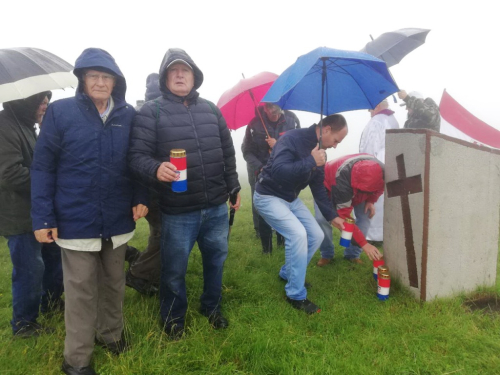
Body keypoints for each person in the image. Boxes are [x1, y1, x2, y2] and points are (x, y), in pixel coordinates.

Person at [31, 48, 148, 375]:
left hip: (117, 219)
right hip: (75, 219)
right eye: (93, 76)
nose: (100, 82)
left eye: (106, 77)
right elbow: (42, 167)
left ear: (115, 82)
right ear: (82, 79)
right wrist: (42, 217)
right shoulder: (60, 112)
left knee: (114, 283)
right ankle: (77, 360)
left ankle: (110, 335)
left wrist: (141, 194)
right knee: (81, 292)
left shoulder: (129, 115)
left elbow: (137, 161)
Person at [128, 48, 241, 338]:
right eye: (173, 71)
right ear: (166, 77)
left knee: (215, 262)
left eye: (185, 70)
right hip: (178, 210)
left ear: (194, 76)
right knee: (174, 270)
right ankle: (173, 319)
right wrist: (156, 168)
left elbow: (227, 152)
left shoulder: (211, 110)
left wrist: (234, 185)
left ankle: (211, 307)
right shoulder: (150, 111)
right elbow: (136, 156)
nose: (180, 75)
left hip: (216, 207)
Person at [253, 114, 347, 314]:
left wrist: (332, 215)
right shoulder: (291, 139)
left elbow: (318, 188)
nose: (336, 145)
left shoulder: (321, 152)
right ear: (327, 129)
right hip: (268, 196)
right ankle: (295, 294)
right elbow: (278, 171)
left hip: (290, 198)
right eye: (336, 140)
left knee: (317, 235)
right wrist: (310, 161)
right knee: (298, 235)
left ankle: (288, 273)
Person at [0, 91, 64, 338]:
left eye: (47, 99)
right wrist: (49, 181)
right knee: (29, 270)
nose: (45, 104)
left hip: (39, 213)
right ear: (23, 100)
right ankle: (24, 324)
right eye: (40, 100)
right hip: (19, 216)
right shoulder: (5, 126)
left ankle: (51, 304)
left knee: (53, 261)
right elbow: (9, 173)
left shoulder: (26, 125)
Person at [241, 103, 300, 252]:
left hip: (284, 170)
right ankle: (263, 239)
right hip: (260, 171)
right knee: (261, 206)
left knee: (283, 203)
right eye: (269, 110)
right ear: (264, 108)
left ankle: (282, 237)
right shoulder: (254, 124)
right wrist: (261, 167)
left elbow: (300, 146)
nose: (273, 113)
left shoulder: (292, 119)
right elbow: (247, 151)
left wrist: (279, 144)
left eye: (276, 110)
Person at [126, 72, 164, 296]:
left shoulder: (139, 112)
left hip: (150, 186)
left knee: (158, 233)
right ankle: (138, 274)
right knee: (165, 234)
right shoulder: (149, 115)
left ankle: (151, 277)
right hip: (150, 186)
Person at [315, 154, 384, 267]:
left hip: (354, 186)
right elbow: (345, 218)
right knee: (321, 219)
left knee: (365, 217)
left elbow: (381, 187)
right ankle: (326, 254)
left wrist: (371, 200)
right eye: (363, 190)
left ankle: (352, 255)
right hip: (329, 187)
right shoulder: (342, 181)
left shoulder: (382, 171)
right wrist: (364, 244)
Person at [358, 99, 399, 242]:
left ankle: (371, 236)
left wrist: (363, 167)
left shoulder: (377, 121)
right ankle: (383, 235)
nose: (369, 112)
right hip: (391, 165)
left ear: (377, 106)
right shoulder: (393, 120)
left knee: (373, 202)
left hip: (376, 167)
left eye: (370, 109)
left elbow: (369, 149)